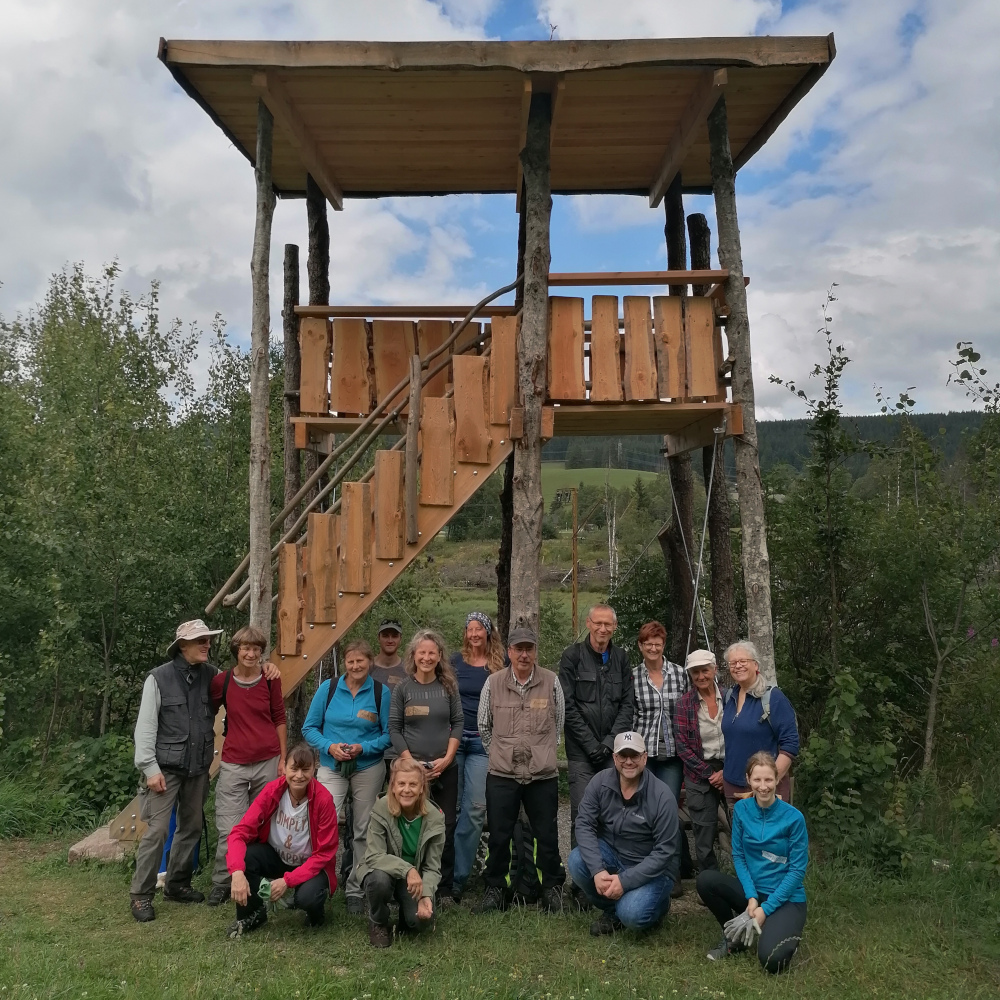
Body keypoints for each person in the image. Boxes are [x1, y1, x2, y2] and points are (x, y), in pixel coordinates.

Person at [129, 618, 278, 923]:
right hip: (165, 768)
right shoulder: (158, 678)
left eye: (208, 640)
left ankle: (177, 884)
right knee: (157, 831)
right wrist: (149, 767)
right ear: (182, 646)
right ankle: (141, 894)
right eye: (201, 640)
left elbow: (244, 676)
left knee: (192, 827)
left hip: (197, 767)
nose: (207, 645)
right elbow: (145, 728)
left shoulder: (212, 676)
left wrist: (267, 667)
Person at [476, 627, 566, 914]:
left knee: (546, 834)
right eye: (519, 649)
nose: (524, 655)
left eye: (529, 649)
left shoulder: (551, 681)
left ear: (535, 652)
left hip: (542, 774)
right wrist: (500, 753)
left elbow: (558, 726)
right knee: (499, 834)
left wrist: (543, 752)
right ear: (509, 652)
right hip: (502, 773)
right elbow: (483, 726)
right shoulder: (493, 683)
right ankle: (496, 889)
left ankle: (550, 888)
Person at [696, 751, 808, 974]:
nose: (763, 786)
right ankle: (734, 937)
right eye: (757, 779)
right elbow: (738, 856)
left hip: (787, 898)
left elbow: (797, 871)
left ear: (777, 779)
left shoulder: (794, 818)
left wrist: (765, 909)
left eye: (768, 780)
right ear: (748, 779)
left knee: (771, 961)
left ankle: (783, 932)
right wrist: (752, 898)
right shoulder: (741, 809)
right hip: (754, 893)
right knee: (706, 880)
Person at [302, 639, 390, 915]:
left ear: (370, 662)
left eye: (360, 661)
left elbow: (389, 734)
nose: (355, 666)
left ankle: (355, 888)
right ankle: (317, 880)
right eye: (350, 661)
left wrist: (363, 747)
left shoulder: (380, 692)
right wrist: (330, 747)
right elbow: (309, 728)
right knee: (321, 823)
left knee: (364, 828)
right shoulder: (328, 689)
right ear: (345, 664)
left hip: (368, 767)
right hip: (331, 766)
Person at [567, 731, 681, 935]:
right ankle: (612, 911)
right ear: (614, 758)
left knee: (632, 914)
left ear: (644, 757)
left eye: (634, 755)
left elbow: (664, 852)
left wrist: (624, 881)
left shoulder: (662, 796)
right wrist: (598, 871)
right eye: (623, 755)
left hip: (653, 868)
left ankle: (658, 905)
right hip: (614, 855)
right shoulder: (600, 782)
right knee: (576, 861)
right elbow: (583, 824)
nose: (628, 761)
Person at [206, 625, 288, 907]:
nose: (251, 654)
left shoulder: (270, 680)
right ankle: (223, 880)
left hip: (268, 759)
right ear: (236, 650)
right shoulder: (222, 682)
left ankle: (256, 877)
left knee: (263, 824)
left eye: (256, 649)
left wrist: (283, 758)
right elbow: (207, 712)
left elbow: (279, 717)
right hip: (234, 762)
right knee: (230, 825)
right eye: (245, 648)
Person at [225, 743, 338, 937]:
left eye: (305, 769)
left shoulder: (324, 800)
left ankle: (315, 913)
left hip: (310, 864)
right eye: (294, 769)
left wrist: (287, 881)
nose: (299, 776)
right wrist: (236, 872)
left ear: (314, 769)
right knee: (246, 857)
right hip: (277, 856)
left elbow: (324, 854)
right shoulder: (272, 790)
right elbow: (239, 832)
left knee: (308, 897)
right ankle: (252, 914)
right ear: (284, 767)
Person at [388, 629, 464, 902]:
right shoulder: (403, 688)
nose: (427, 658)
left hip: (445, 769)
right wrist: (411, 763)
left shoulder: (448, 687)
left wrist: (448, 758)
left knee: (446, 825)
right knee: (408, 826)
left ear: (440, 655)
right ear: (414, 655)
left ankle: (443, 888)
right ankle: (405, 883)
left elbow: (458, 722)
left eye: (432, 653)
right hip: (411, 773)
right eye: (422, 652)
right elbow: (394, 728)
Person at [558, 604, 634, 850]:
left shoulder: (621, 658)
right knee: (583, 814)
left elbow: (627, 705)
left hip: (613, 751)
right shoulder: (572, 657)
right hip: (581, 752)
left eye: (607, 624)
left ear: (615, 626)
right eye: (598, 623)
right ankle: (581, 870)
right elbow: (567, 706)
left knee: (615, 813)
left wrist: (609, 743)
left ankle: (612, 867)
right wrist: (591, 745)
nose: (603, 628)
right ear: (588, 624)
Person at [630, 620, 692, 892]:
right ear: (640, 646)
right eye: (648, 644)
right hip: (644, 754)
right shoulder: (633, 677)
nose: (653, 648)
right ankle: (646, 869)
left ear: (663, 645)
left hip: (673, 754)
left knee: (668, 810)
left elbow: (689, 709)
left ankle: (672, 873)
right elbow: (631, 715)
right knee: (644, 809)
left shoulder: (679, 674)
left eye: (657, 643)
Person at [357, 758, 446, 948]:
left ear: (422, 788)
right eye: (401, 784)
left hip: (414, 881)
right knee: (378, 880)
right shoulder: (381, 808)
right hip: (384, 871)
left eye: (413, 784)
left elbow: (432, 867)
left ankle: (407, 917)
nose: (407, 790)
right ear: (393, 787)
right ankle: (378, 921)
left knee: (421, 921)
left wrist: (426, 895)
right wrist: (408, 870)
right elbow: (374, 856)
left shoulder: (435, 818)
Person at [450, 611, 505, 902]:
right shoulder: (453, 662)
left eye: (478, 629)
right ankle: (441, 874)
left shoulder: (500, 663)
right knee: (450, 809)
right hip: (454, 741)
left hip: (484, 743)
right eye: (469, 629)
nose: (473, 634)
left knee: (474, 809)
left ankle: (458, 878)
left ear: (488, 632)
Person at [720, 642, 799, 804]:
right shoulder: (729, 696)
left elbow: (790, 744)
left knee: (769, 823)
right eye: (733, 663)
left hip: (766, 791)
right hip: (733, 787)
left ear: (755, 665)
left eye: (743, 661)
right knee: (737, 822)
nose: (738, 666)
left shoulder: (773, 698)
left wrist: (769, 782)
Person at [674, 649, 727, 872]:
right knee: (703, 833)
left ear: (714, 670)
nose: (701, 676)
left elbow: (742, 736)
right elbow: (682, 746)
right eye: (695, 672)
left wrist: (727, 772)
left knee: (743, 826)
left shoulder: (731, 698)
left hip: (731, 768)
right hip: (698, 773)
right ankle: (709, 881)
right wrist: (709, 774)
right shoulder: (684, 704)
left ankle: (745, 880)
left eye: (705, 670)